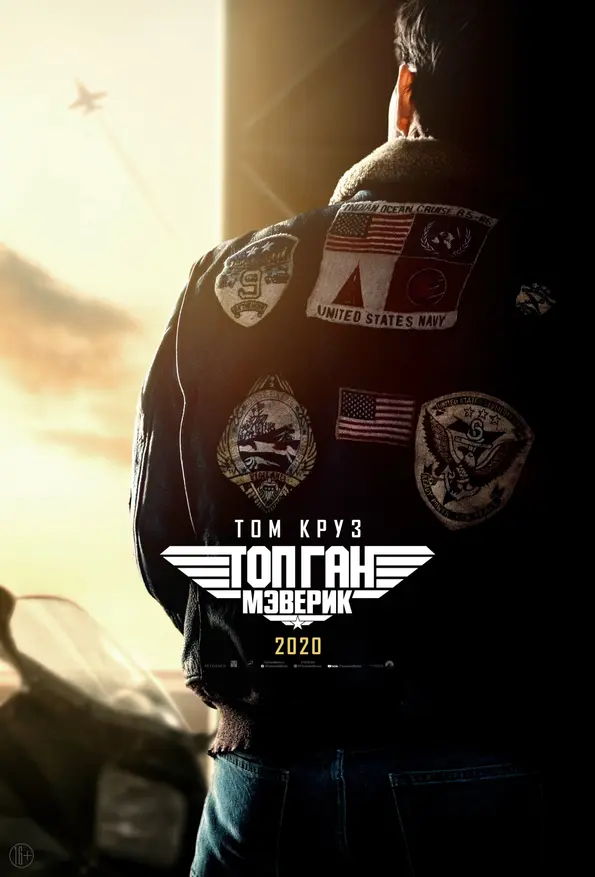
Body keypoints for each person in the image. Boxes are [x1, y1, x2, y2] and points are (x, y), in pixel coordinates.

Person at [131, 2, 557, 874]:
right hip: (494, 761)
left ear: (405, 90)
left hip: (264, 771)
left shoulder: (230, 274)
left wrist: (265, 668)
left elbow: (159, 528)